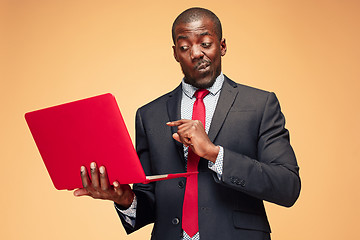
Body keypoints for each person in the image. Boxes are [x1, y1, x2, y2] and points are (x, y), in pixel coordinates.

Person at [74, 7, 301, 240]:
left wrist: (215, 154)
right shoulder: (149, 115)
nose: (195, 53)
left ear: (222, 46)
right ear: (175, 53)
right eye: (184, 47)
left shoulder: (261, 104)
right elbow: (148, 202)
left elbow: (287, 186)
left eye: (205, 43)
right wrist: (124, 199)